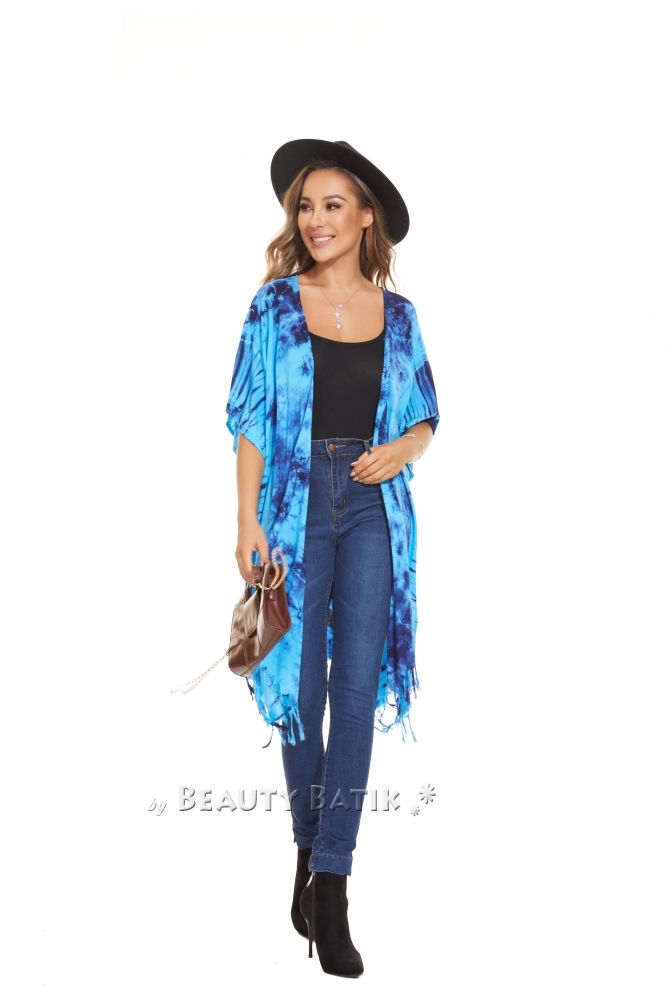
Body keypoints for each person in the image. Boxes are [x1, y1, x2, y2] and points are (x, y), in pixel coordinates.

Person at [225, 139, 440, 978]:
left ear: (365, 218)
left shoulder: (401, 315)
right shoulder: (275, 305)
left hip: (374, 510)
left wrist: (403, 450)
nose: (315, 220)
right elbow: (249, 416)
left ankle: (333, 887)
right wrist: (245, 519)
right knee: (298, 692)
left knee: (353, 695)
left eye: (332, 205)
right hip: (294, 507)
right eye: (305, 206)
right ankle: (309, 853)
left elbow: (424, 415)